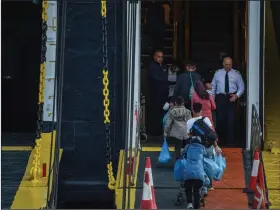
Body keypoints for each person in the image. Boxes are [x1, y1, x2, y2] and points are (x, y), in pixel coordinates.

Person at [187, 102, 222, 190]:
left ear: (192, 110)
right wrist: (216, 146)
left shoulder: (189, 122)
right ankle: (209, 185)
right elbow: (211, 134)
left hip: (196, 147)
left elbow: (188, 136)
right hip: (207, 146)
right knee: (208, 164)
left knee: (197, 164)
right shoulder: (206, 119)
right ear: (201, 110)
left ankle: (200, 184)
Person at [211, 57, 245, 146]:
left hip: (231, 98)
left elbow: (241, 87)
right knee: (220, 120)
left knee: (231, 120)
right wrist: (212, 100)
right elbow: (213, 87)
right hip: (220, 98)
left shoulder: (236, 74)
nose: (228, 66)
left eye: (230, 64)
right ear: (223, 64)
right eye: (226, 64)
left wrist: (236, 95)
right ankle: (219, 141)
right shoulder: (218, 73)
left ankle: (231, 143)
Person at [147, 50, 169, 136]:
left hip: (163, 94)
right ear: (154, 57)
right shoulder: (152, 67)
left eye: (162, 57)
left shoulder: (163, 67)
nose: (160, 59)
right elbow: (156, 78)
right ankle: (153, 131)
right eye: (158, 57)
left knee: (162, 112)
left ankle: (160, 130)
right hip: (155, 94)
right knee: (155, 112)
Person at [181, 136, 206, 209]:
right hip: (199, 174)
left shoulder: (188, 147)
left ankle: (189, 203)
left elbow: (182, 153)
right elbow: (206, 154)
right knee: (197, 189)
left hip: (188, 173)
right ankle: (197, 205)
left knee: (188, 188)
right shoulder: (202, 147)